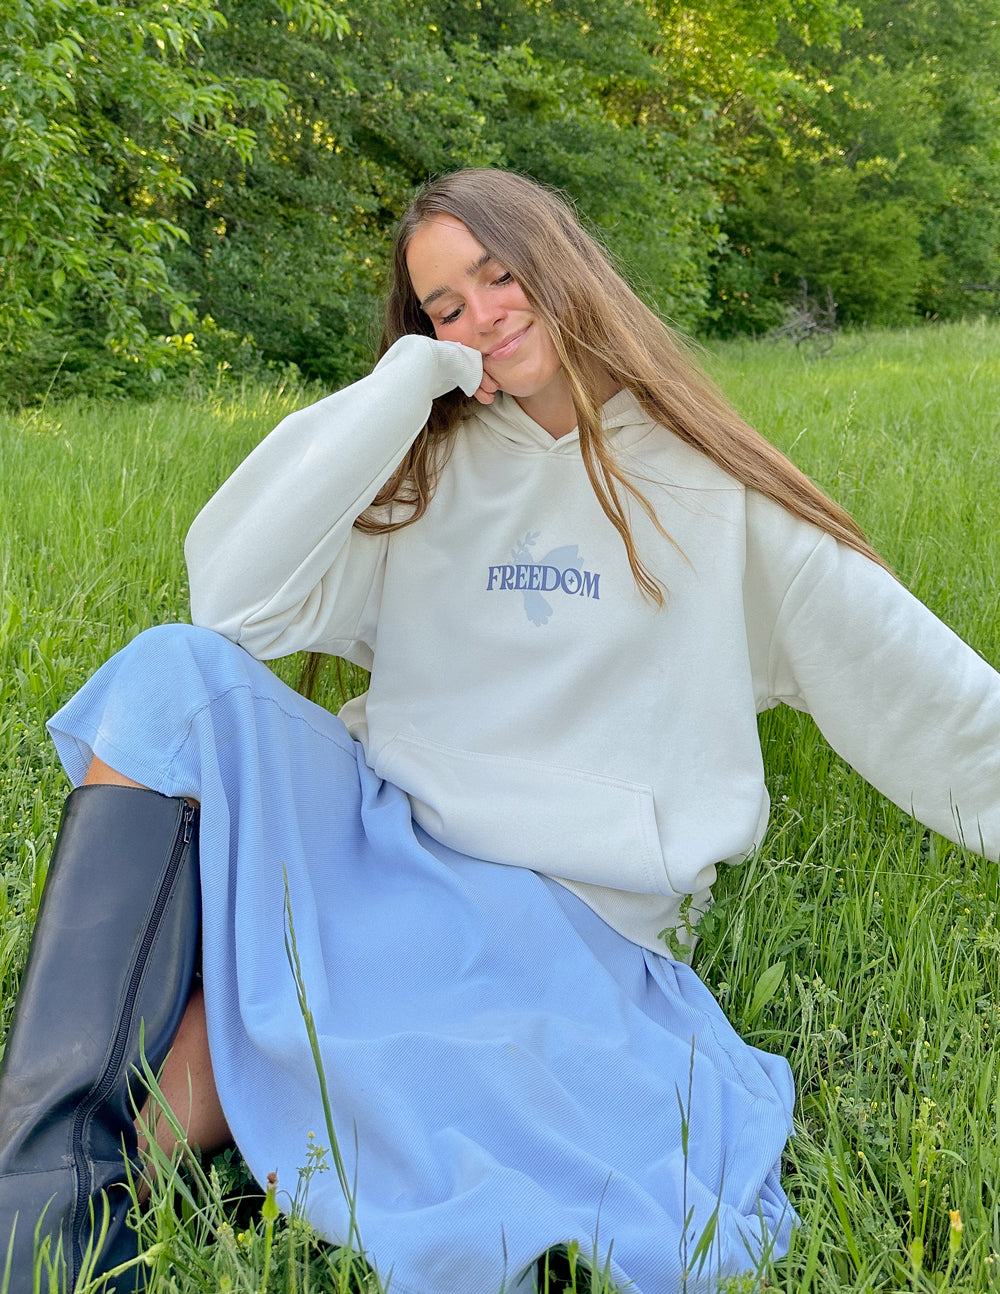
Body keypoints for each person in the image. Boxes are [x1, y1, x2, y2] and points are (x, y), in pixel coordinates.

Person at [1, 167, 998, 1294]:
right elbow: (229, 600)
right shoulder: (425, 465)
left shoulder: (724, 501)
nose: (482, 314)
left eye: (499, 274)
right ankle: (42, 1215)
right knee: (170, 675)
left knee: (261, 1017)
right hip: (384, 838)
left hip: (565, 915)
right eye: (444, 305)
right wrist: (404, 383)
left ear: (559, 260)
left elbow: (936, 702)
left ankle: (93, 1201)